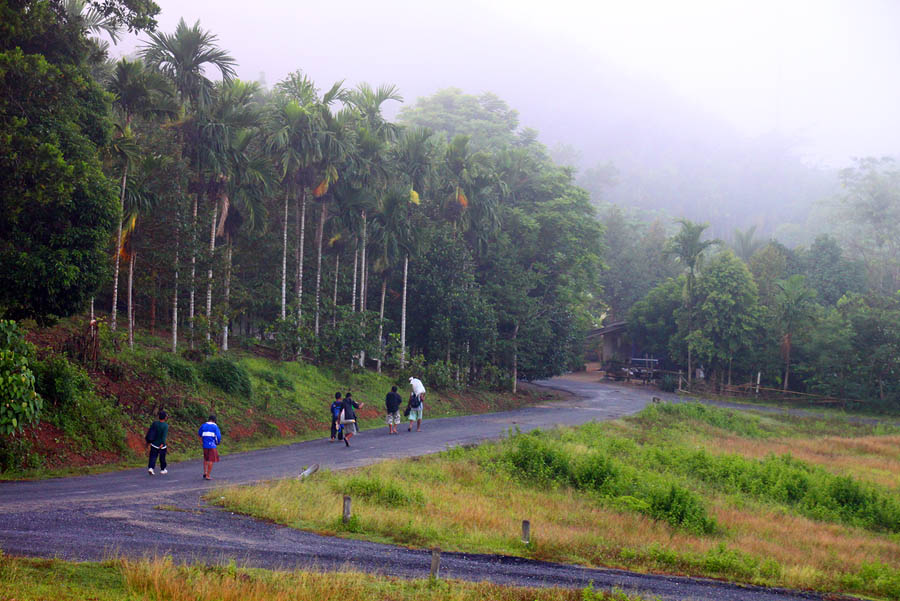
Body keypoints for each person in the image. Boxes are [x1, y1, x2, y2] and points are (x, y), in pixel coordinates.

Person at [198, 415, 222, 480]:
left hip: (205, 445)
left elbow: (199, 434)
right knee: (211, 460)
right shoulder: (215, 426)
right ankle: (208, 475)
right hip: (212, 445)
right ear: (214, 420)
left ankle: (205, 472)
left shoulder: (203, 425)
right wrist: (217, 442)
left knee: (206, 459)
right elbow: (218, 436)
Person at [145, 410, 169, 476]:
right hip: (161, 445)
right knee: (162, 457)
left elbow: (151, 432)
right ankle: (163, 469)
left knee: (153, 456)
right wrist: (162, 443)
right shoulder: (165, 426)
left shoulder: (155, 423)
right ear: (165, 417)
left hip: (154, 443)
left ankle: (151, 468)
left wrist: (149, 441)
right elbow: (164, 436)